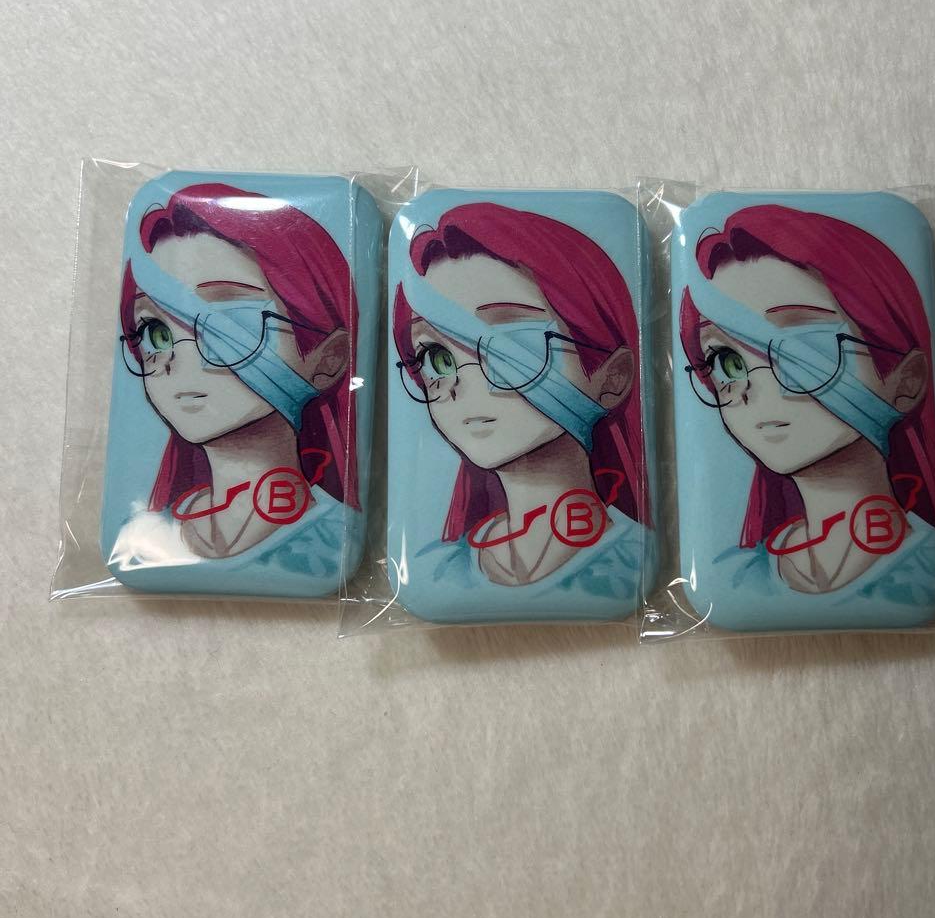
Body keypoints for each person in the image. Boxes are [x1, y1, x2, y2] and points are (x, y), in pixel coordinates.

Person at [679, 203, 935, 629]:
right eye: (727, 361)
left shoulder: (927, 567)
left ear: (906, 380)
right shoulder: (733, 578)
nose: (759, 389)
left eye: (805, 351)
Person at [391, 201, 651, 621]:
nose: (464, 383)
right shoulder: (435, 569)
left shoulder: (631, 559)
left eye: (512, 347)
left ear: (612, 376)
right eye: (437, 357)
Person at [106, 182, 359, 596]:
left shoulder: (332, 538)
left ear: (328, 359)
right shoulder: (146, 534)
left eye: (230, 324)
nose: (180, 359)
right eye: (155, 332)